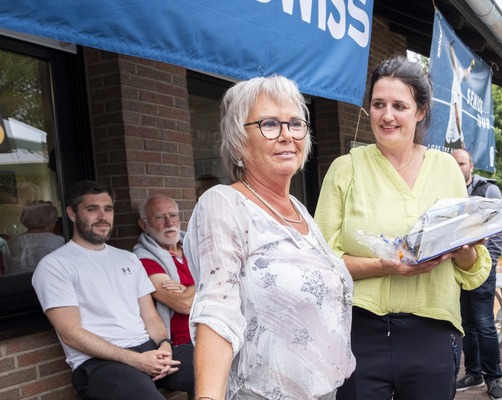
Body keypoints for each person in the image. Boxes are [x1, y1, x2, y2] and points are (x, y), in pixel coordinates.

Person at [314, 55, 491, 400]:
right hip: (359, 334)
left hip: (432, 333)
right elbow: (320, 263)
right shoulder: (345, 169)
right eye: (378, 104)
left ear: (420, 111)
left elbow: (473, 268)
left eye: (400, 105)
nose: (388, 115)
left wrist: (465, 250)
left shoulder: (445, 169)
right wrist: (384, 265)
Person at [185, 75, 355, 400]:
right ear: (238, 141)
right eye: (269, 124)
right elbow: (217, 309)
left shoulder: (299, 211)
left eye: (295, 123)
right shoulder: (224, 203)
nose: (286, 135)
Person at [32, 180, 194, 400]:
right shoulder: (55, 265)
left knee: (221, 365)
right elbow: (71, 335)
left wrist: (164, 345)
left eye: (107, 209)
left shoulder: (128, 259)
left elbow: (150, 316)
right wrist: (136, 360)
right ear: (71, 214)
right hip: (100, 364)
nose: (102, 216)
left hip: (148, 350)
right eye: (92, 209)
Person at [451, 149, 502, 399]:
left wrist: (489, 259)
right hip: (456, 270)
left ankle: (493, 378)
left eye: (461, 163)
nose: (457, 167)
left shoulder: (487, 190)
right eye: (453, 163)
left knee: (484, 324)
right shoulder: (446, 192)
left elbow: (501, 227)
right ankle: (474, 373)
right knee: (466, 324)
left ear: (471, 166)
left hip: (482, 270)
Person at [133, 195, 195, 345]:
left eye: (173, 215)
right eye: (160, 218)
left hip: (217, 330)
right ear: (144, 225)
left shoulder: (195, 247)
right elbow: (184, 303)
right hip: (184, 342)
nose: (169, 223)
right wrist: (208, 281)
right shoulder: (143, 259)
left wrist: (189, 289)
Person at [3, 200, 65, 275]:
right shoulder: (58, 241)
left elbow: (7, 271)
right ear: (49, 221)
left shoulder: (11, 243)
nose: (55, 224)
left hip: (16, 285)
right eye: (55, 220)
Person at [444, 42, 474, 151]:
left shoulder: (459, 79)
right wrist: (461, 139)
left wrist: (471, 66)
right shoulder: (455, 90)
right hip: (452, 137)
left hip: (454, 137)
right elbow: (457, 118)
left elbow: (466, 72)